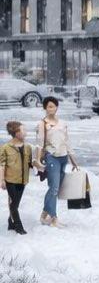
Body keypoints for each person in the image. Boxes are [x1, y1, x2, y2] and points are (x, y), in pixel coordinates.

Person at [35, 97, 79, 227]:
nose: (51, 109)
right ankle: (53, 218)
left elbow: (67, 141)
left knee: (56, 188)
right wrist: (37, 160)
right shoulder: (42, 124)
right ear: (45, 108)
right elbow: (39, 144)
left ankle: (44, 213)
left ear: (57, 107)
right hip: (51, 157)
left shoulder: (63, 123)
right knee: (53, 188)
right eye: (49, 106)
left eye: (54, 106)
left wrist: (73, 160)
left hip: (63, 157)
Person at [0, 121, 32, 234]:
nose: (26, 133)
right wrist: (2, 180)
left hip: (23, 180)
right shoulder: (5, 148)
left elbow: (30, 163)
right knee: (14, 204)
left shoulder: (28, 147)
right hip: (10, 180)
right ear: (16, 132)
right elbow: (2, 165)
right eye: (24, 130)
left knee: (16, 203)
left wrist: (40, 166)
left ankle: (10, 221)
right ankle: (19, 226)